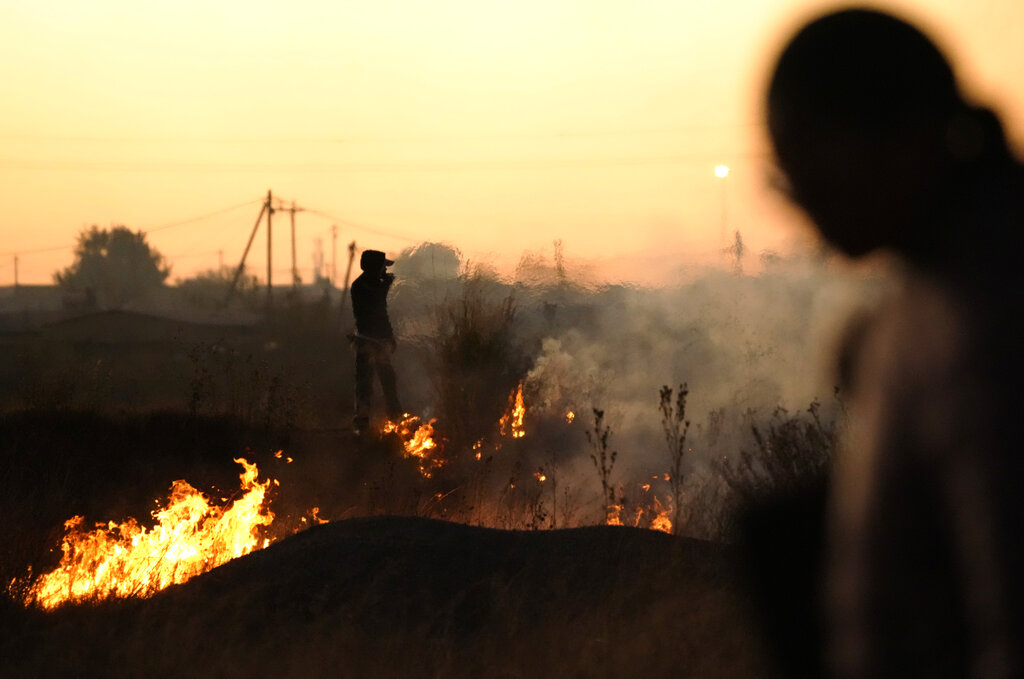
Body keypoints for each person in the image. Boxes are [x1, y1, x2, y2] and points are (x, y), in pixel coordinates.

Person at [766, 8, 1024, 679]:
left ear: (895, 138)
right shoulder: (921, 307)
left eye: (802, 162)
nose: (799, 198)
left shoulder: (981, 328)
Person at [349, 249, 403, 433]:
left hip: (374, 341)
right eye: (382, 267)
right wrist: (386, 286)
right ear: (374, 268)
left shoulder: (364, 284)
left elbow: (381, 311)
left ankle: (393, 419)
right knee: (368, 382)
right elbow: (378, 308)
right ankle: (365, 423)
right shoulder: (363, 286)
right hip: (370, 342)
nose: (384, 271)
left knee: (385, 381)